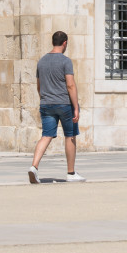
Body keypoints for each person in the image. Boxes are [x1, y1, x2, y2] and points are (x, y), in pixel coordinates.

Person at [28, 30, 85, 184]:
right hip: (64, 103)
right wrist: (75, 107)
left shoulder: (41, 61)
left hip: (46, 103)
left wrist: (45, 98)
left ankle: (34, 167)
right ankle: (71, 173)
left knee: (46, 136)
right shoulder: (66, 61)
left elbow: (39, 86)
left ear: (53, 42)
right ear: (65, 43)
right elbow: (70, 85)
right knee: (70, 135)